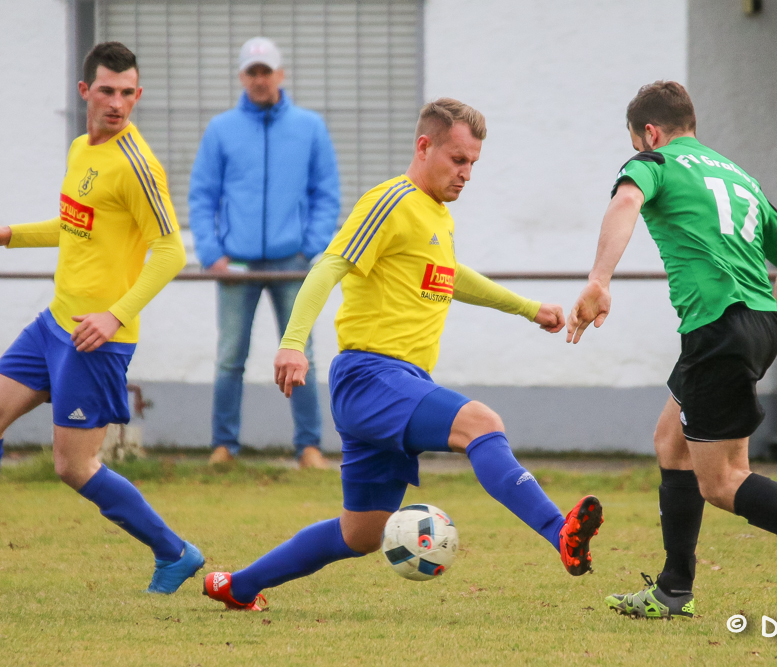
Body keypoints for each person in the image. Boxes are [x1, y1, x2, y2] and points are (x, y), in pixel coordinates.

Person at [201, 98, 603, 610]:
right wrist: (292, 344)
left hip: (400, 383)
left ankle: (239, 586)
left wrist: (527, 308)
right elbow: (328, 266)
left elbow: (451, 276)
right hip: (370, 376)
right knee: (481, 424)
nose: (467, 173)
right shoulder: (390, 201)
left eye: (473, 163)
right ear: (424, 146)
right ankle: (558, 531)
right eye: (458, 160)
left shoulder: (437, 215)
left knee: (360, 533)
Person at [566, 81, 777, 619]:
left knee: (721, 482)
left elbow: (626, 200)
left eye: (636, 143)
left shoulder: (655, 164)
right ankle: (674, 590)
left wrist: (599, 280)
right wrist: (768, 335)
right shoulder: (739, 176)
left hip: (716, 327)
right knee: (671, 442)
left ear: (649, 133)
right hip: (757, 322)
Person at [0, 42, 203, 593]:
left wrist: (115, 316)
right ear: (85, 91)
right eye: (107, 91)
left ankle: (174, 552)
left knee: (73, 466)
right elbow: (75, 225)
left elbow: (170, 253)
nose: (117, 102)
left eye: (127, 93)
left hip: (96, 338)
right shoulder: (79, 149)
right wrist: (12, 235)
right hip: (53, 324)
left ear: (138, 95)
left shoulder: (138, 166)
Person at [188, 36, 340, 469]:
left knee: (302, 355)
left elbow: (327, 192)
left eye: (266, 71)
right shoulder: (221, 129)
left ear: (280, 74)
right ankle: (224, 447)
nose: (259, 79)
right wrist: (212, 254)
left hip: (293, 262)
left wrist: (310, 247)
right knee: (230, 357)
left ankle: (309, 447)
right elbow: (202, 195)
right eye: (252, 72)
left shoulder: (310, 127)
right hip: (235, 263)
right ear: (242, 77)